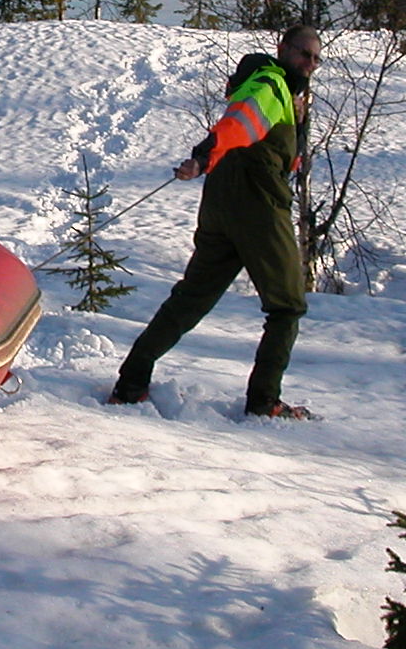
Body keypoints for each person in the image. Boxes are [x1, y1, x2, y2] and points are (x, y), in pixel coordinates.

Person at [110, 25, 323, 418]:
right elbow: (239, 124)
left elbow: (260, 138)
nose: (309, 64)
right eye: (303, 54)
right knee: (287, 306)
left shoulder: (274, 89)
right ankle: (264, 402)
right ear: (282, 48)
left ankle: (131, 383)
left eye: (315, 58)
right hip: (258, 207)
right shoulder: (271, 85)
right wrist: (203, 156)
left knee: (192, 297)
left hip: (221, 204)